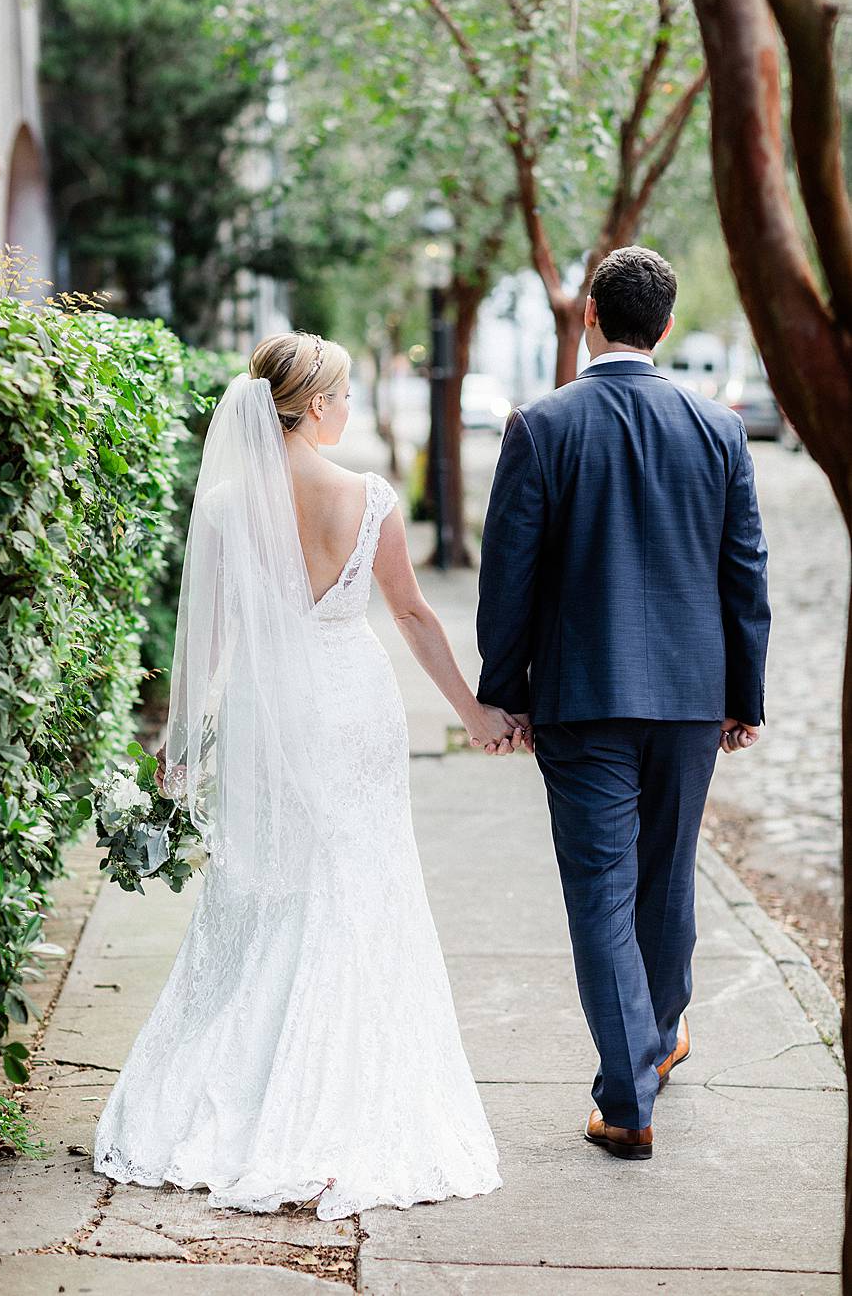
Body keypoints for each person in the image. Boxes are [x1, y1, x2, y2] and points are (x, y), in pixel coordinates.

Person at [94, 331, 516, 1218]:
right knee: (359, 882)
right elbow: (412, 615)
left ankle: (243, 1083)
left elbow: (203, 639)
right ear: (315, 404)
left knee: (267, 887)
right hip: (353, 708)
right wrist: (473, 713)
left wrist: (179, 744)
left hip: (261, 711)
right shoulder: (366, 500)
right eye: (347, 394)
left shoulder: (222, 506)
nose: (352, 409)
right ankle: (333, 1089)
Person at [476, 246, 770, 1160]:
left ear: (590, 315)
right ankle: (661, 1038)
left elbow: (507, 578)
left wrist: (502, 691)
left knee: (602, 893)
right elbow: (745, 574)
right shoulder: (718, 430)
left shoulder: (542, 425)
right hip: (689, 698)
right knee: (667, 875)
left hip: (582, 697)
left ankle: (628, 1097)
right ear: (668, 328)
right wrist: (742, 695)